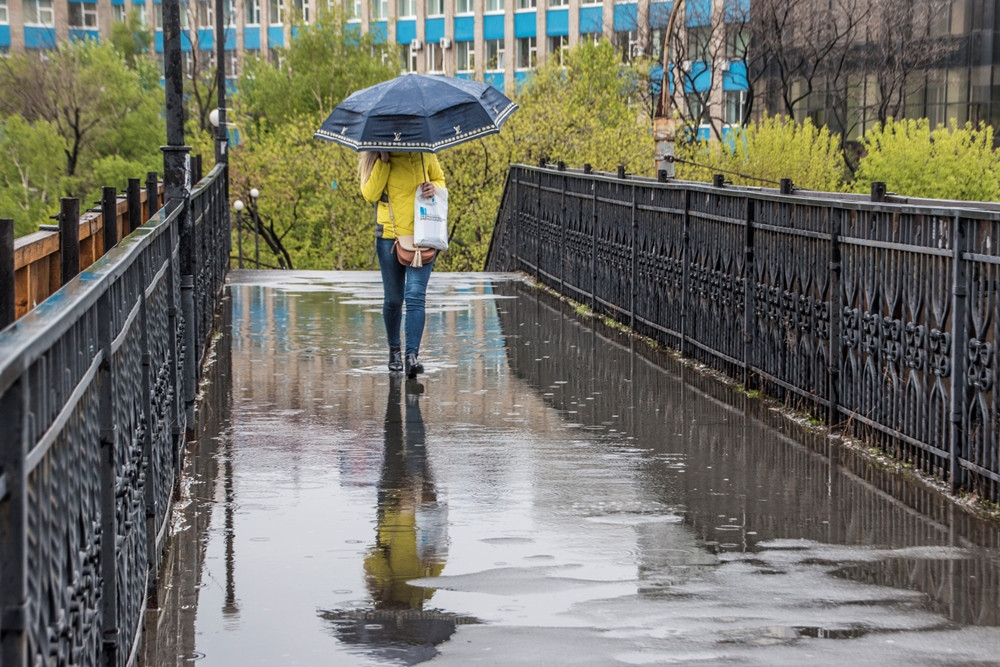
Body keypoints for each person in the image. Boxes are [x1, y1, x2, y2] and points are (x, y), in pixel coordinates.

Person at [360, 150, 446, 378]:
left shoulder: (424, 152)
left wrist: (433, 187)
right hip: (390, 235)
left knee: (416, 294)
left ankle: (411, 357)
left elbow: (440, 180)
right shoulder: (377, 156)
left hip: (423, 234)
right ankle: (394, 350)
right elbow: (370, 194)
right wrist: (384, 162)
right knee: (394, 299)